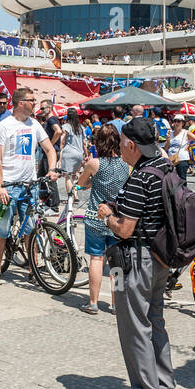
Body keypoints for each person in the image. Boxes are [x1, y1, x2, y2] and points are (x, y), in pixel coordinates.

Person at [95, 116, 179, 389]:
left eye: (121, 146)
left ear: (131, 145)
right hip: (161, 257)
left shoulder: (141, 177)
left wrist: (107, 216)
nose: (120, 151)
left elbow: (126, 228)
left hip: (138, 259)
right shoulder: (165, 167)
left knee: (134, 329)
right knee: (155, 323)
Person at [0, 87, 60, 287]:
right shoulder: (4, 126)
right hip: (9, 186)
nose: (35, 103)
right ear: (21, 103)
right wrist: (0, 186)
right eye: (32, 100)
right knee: (1, 230)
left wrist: (52, 169)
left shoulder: (35, 124)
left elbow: (49, 149)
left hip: (30, 186)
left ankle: (33, 269)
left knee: (31, 229)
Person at [76, 124, 130, 315]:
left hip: (95, 217)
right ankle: (117, 304)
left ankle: (93, 302)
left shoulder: (94, 163)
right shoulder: (125, 164)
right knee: (118, 263)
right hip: (117, 218)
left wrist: (92, 182)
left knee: (96, 259)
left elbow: (81, 185)